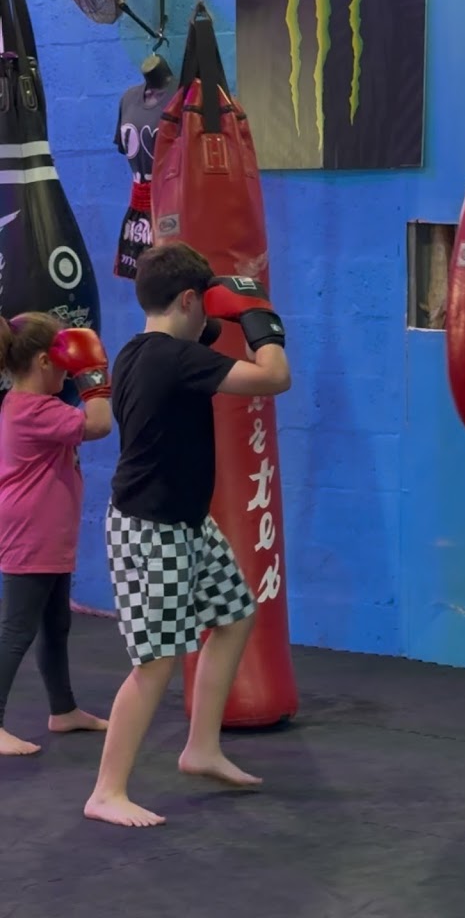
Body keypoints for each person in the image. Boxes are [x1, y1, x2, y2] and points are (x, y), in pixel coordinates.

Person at [83, 241, 291, 829]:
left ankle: (201, 747)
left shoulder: (138, 351)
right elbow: (275, 376)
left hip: (187, 522)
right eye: (203, 305)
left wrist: (213, 312)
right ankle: (106, 791)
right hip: (151, 530)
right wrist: (259, 316)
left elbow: (200, 344)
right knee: (156, 663)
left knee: (235, 615)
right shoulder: (176, 359)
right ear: (188, 301)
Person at [0, 312, 112, 756]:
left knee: (55, 623)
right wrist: (93, 375)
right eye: (64, 363)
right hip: (32, 531)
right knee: (17, 629)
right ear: (45, 362)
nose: (68, 372)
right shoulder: (35, 410)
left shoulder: (26, 404)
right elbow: (99, 423)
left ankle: (63, 710)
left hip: (47, 530)